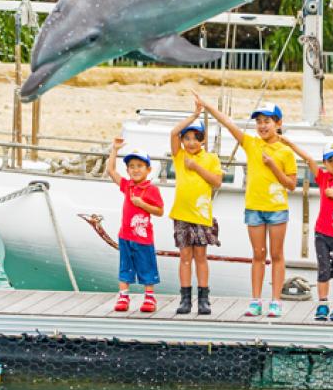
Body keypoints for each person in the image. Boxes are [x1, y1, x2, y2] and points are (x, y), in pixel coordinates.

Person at [194, 92, 297, 318]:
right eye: (259, 121)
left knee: (277, 254)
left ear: (278, 123)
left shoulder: (286, 152)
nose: (262, 125)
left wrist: (273, 166)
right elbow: (227, 123)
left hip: (277, 209)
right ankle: (256, 300)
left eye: (267, 121)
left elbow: (291, 184)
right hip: (254, 208)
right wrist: (207, 105)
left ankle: (276, 301)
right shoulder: (251, 143)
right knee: (258, 254)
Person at [279, 138, 333, 322]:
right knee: (323, 270)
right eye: (330, 160)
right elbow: (308, 160)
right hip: (322, 233)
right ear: (325, 163)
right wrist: (290, 144)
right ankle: (322, 304)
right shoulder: (324, 178)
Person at [169, 104, 223, 315]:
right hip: (181, 214)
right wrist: (193, 115)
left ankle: (203, 298)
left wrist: (197, 167)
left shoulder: (210, 158)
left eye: (195, 137)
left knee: (200, 256)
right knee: (184, 257)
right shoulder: (179, 155)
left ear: (203, 140)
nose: (191, 142)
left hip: (201, 215)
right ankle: (185, 298)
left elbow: (217, 181)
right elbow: (173, 132)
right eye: (187, 138)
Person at [105, 138, 164, 313]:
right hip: (125, 236)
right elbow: (111, 170)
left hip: (143, 238)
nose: (135, 169)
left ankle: (149, 297)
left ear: (148, 169)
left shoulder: (151, 189)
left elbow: (160, 211)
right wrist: (114, 150)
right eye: (132, 166)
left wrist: (142, 204)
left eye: (140, 166)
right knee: (125, 266)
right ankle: (123, 295)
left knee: (147, 266)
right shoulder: (127, 186)